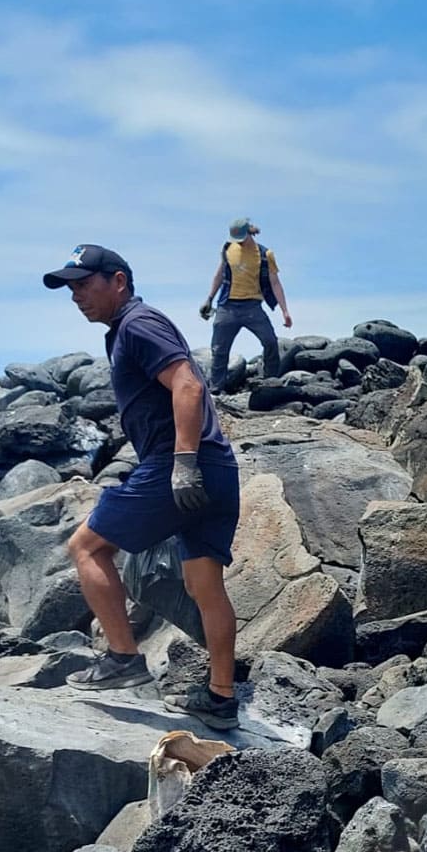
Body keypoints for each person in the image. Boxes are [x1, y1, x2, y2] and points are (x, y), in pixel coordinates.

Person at [47, 244, 243, 730]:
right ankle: (221, 697)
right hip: (218, 466)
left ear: (118, 281)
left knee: (87, 547)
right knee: (204, 584)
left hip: (179, 463)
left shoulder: (137, 324)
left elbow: (188, 385)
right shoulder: (127, 329)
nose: (76, 296)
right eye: (71, 289)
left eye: (84, 284)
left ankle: (122, 659)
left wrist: (182, 463)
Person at [199, 217, 292, 393]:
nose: (239, 242)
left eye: (241, 238)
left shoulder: (265, 254)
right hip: (227, 306)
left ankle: (270, 382)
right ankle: (216, 389)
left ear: (250, 233)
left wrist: (285, 311)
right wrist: (209, 298)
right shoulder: (228, 249)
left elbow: (275, 283)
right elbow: (219, 275)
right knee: (219, 349)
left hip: (252, 307)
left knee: (270, 342)